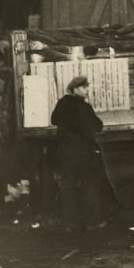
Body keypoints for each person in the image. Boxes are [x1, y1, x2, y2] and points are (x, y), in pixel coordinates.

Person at [50, 75, 105, 233]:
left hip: (66, 152)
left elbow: (54, 120)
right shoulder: (84, 107)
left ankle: (69, 223)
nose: (86, 90)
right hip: (84, 152)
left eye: (87, 87)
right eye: (83, 88)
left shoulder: (62, 103)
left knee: (68, 186)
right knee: (90, 185)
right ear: (74, 89)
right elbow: (98, 126)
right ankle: (92, 222)